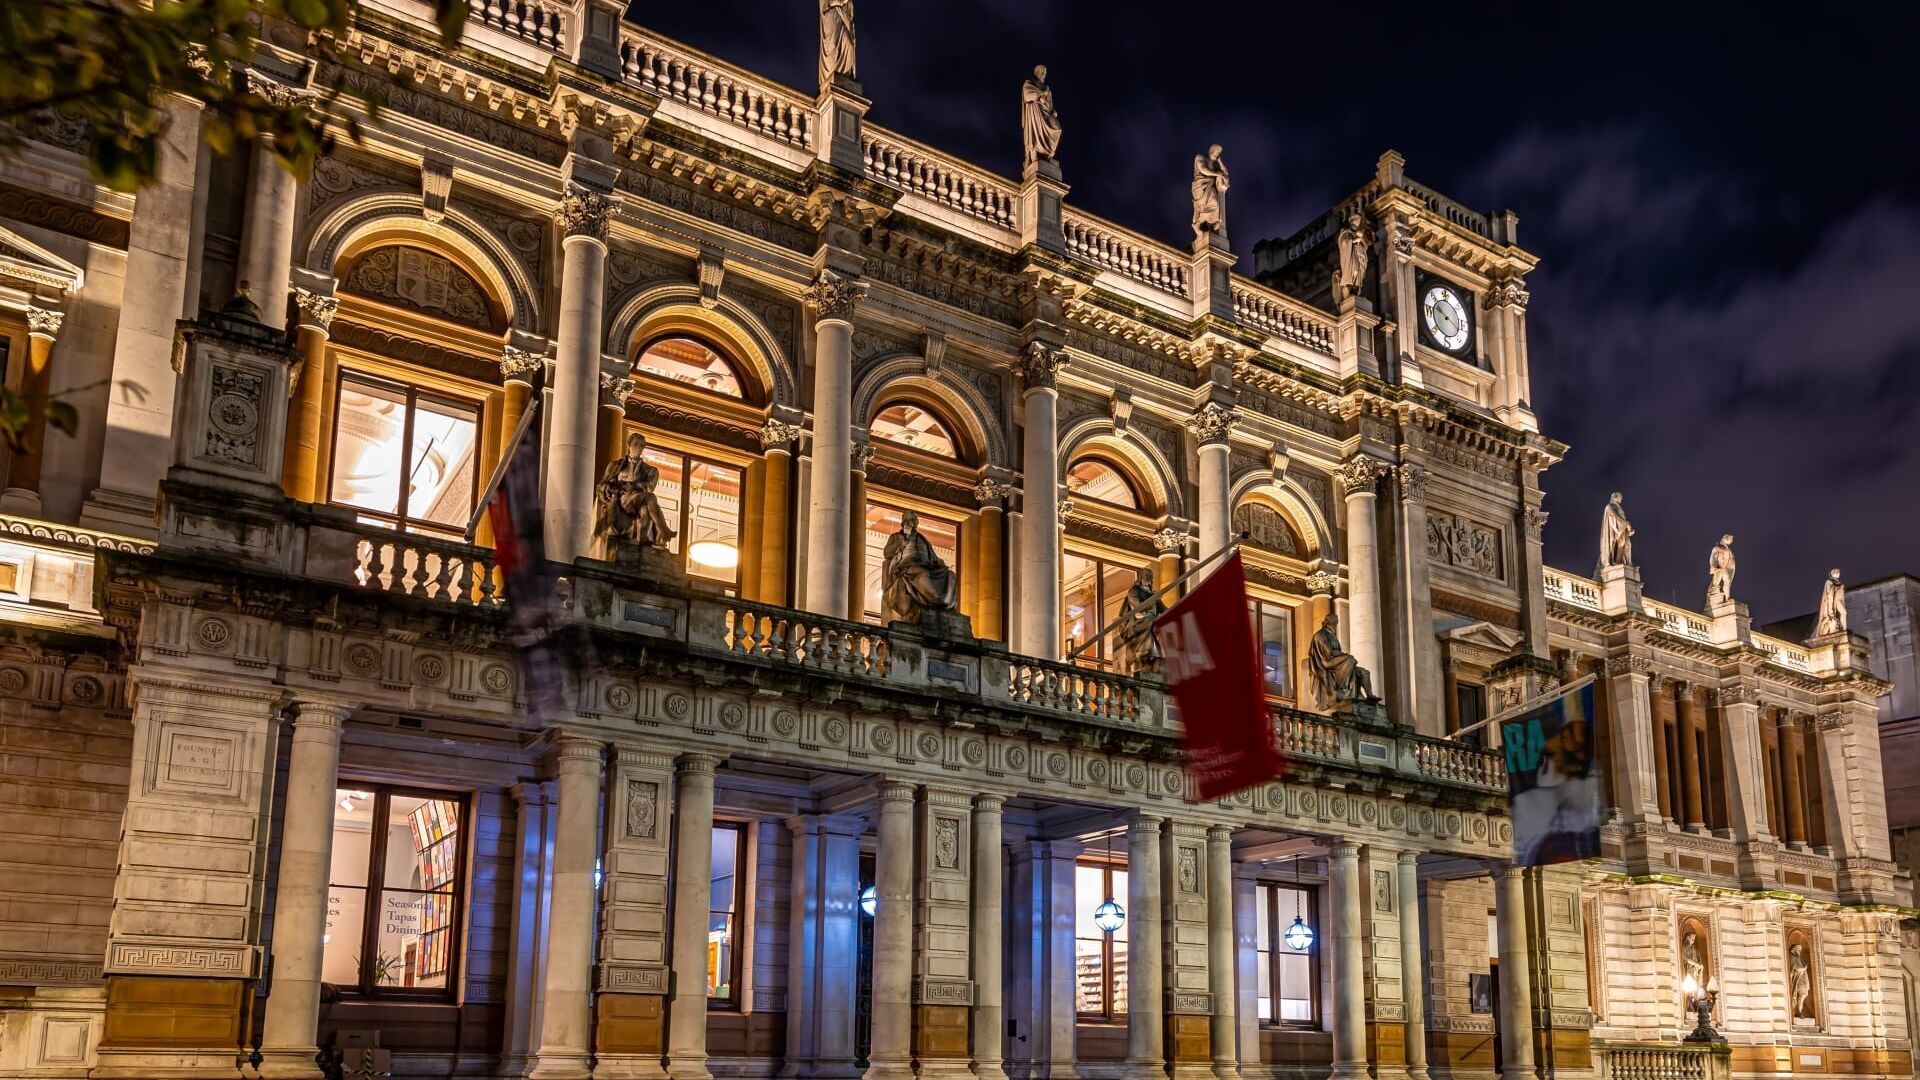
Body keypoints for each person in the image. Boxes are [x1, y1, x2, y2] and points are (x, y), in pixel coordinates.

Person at [592, 430, 675, 558]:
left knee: (646, 507)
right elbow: (602, 484)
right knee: (650, 499)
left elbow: (650, 487)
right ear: (629, 445)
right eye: (636, 444)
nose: (638, 448)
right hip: (621, 498)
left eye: (642, 446)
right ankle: (663, 531)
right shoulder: (615, 465)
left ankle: (644, 541)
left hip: (638, 498)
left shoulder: (651, 470)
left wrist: (635, 485)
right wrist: (608, 489)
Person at [882, 510, 957, 622]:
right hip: (907, 565)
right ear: (904, 523)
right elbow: (887, 553)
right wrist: (903, 541)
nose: (912, 523)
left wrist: (938, 563)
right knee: (922, 573)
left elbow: (932, 556)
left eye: (914, 520)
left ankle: (946, 603)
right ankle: (934, 598)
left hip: (927, 565)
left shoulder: (922, 538)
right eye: (909, 520)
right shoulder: (897, 536)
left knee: (950, 575)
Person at [1307, 611, 1371, 708]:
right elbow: (1328, 653)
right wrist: (1343, 656)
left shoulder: (1332, 636)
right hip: (1326, 662)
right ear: (1328, 622)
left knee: (1364, 672)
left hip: (1337, 662)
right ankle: (1344, 688)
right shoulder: (1320, 635)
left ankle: (1369, 696)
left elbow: (1336, 652)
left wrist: (1342, 656)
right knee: (1349, 659)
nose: (1336, 622)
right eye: (1334, 620)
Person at [1113, 569, 1164, 675]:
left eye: (1150, 575)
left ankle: (1154, 658)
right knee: (1149, 619)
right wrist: (1154, 599)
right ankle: (1145, 654)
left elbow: (1165, 610)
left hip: (1150, 623)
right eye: (1146, 575)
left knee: (1162, 623)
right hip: (1135, 625)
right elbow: (1138, 607)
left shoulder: (1153, 595)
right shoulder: (1133, 592)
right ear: (1140, 577)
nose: (1148, 577)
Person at [1021, 65, 1062, 167]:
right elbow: (1027, 96)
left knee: (1057, 128)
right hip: (1035, 112)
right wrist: (1039, 96)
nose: (1044, 74)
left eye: (1045, 72)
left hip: (1046, 113)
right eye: (1042, 71)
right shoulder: (1029, 83)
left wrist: (1053, 111)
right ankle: (1036, 154)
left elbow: (1050, 105)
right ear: (1037, 72)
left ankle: (1048, 152)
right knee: (1035, 134)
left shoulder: (1047, 88)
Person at [1190, 145, 1229, 240]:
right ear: (1212, 150)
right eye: (1217, 151)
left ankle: (1210, 223)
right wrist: (1217, 173)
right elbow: (1204, 170)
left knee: (1214, 203)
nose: (1218, 154)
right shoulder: (1200, 157)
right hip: (1200, 185)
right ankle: (1197, 224)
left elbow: (1226, 173)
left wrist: (1220, 162)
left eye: (1220, 153)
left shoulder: (1216, 164)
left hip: (1210, 186)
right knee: (1209, 204)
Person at [1598, 491, 1634, 571]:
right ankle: (1611, 562)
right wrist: (1626, 523)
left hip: (1621, 531)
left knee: (1624, 546)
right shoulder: (1609, 506)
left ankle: (1622, 562)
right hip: (1613, 531)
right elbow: (1614, 517)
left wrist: (1627, 529)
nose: (1621, 498)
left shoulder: (1617, 507)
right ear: (1615, 497)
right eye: (1620, 496)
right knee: (1614, 545)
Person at [1815, 569, 1848, 636]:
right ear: (1833, 574)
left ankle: (1844, 629)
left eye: (1839, 572)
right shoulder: (1829, 582)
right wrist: (1830, 610)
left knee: (1844, 612)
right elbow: (1828, 594)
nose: (1839, 574)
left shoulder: (1840, 583)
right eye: (1837, 573)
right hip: (1832, 601)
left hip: (1838, 600)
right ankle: (1842, 630)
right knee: (1842, 613)